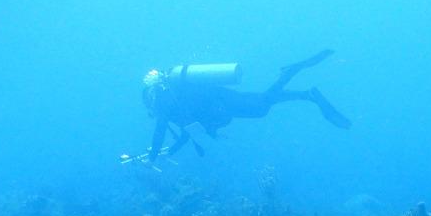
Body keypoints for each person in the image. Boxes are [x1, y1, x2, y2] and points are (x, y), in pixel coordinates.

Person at [135, 49, 350, 164]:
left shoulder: (164, 103)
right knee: (262, 103)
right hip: (223, 100)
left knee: (261, 107)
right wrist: (169, 152)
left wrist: (152, 156)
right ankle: (306, 94)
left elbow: (160, 129)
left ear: (150, 99)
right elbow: (185, 134)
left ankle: (292, 73)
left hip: (222, 102)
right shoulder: (174, 104)